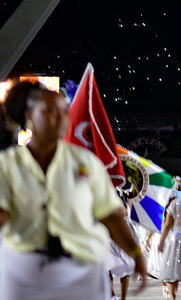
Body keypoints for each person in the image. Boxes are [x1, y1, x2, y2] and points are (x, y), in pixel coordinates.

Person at [0, 80, 147, 300]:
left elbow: (112, 216)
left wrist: (136, 254)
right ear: (29, 115)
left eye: (64, 111)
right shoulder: (7, 165)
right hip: (25, 274)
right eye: (50, 111)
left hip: (83, 276)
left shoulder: (85, 162)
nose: (60, 118)